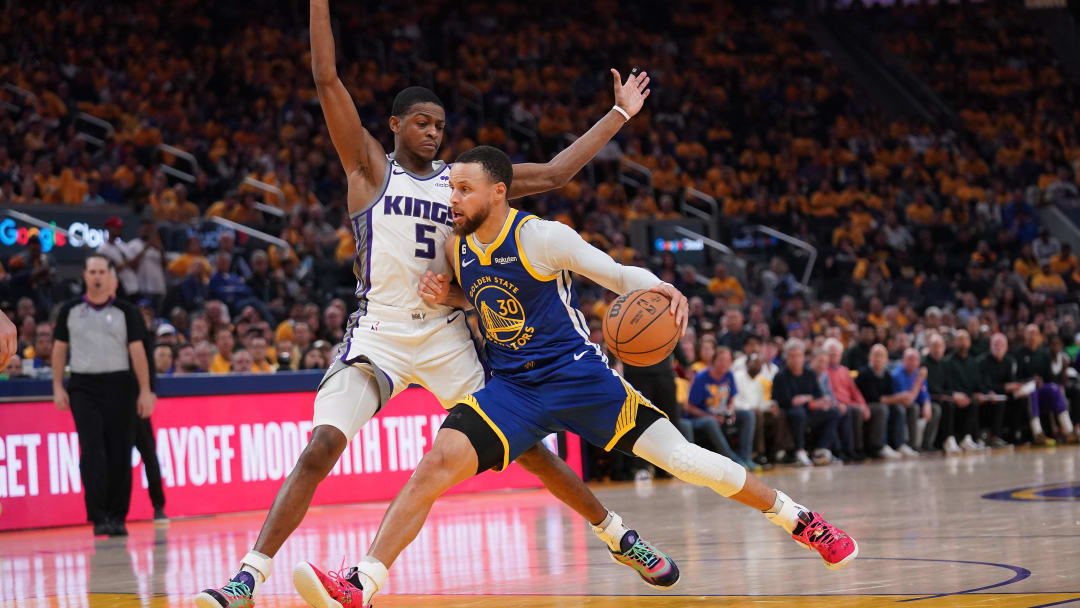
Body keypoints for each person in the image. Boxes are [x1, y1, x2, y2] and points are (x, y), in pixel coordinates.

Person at [194, 3, 668, 605]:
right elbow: (325, 78)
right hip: (380, 333)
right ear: (393, 125)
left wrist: (619, 113)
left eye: (440, 124)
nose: (433, 132)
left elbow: (552, 175)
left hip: (448, 334)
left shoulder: (462, 180)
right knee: (321, 448)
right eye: (421, 122)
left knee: (527, 449)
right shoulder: (368, 168)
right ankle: (247, 579)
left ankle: (618, 534)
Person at [292, 147, 857, 608]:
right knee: (434, 466)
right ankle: (361, 584)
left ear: (497, 192)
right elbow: (483, 296)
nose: (451, 198)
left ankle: (801, 520)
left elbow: (616, 274)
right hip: (513, 388)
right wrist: (451, 294)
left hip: (579, 377)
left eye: (462, 189)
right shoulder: (456, 245)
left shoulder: (542, 237)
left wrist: (661, 286)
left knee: (684, 461)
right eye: (450, 188)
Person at [51, 255, 156, 537]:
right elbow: (60, 349)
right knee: (92, 450)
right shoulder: (70, 310)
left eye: (102, 271)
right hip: (84, 386)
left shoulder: (127, 311)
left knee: (120, 451)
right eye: (92, 271)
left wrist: (146, 391)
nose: (97, 276)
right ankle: (98, 516)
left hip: (120, 385)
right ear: (84, 275)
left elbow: (138, 353)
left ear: (111, 278)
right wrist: (57, 386)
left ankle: (117, 516)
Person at [773, 338, 840, 466]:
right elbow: (784, 401)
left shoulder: (809, 374)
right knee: (798, 413)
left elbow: (817, 395)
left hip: (809, 412)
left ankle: (821, 449)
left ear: (804, 357)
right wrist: (805, 400)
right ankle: (800, 450)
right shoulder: (781, 376)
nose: (796, 359)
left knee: (833, 412)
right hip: (791, 415)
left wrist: (806, 399)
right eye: (792, 356)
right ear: (787, 358)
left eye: (799, 356)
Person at [686, 347, 755, 469]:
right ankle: (733, 460)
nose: (725, 363)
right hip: (700, 418)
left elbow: (731, 400)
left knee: (748, 415)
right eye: (721, 360)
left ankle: (745, 457)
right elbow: (689, 407)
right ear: (714, 361)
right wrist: (711, 416)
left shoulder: (729, 375)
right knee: (711, 422)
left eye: (728, 360)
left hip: (721, 415)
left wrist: (731, 411)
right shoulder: (701, 377)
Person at [1017, 324, 1077, 445]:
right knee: (1032, 390)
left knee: (1055, 389)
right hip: (1025, 389)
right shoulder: (1019, 353)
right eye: (1030, 333)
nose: (1032, 336)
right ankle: (1038, 433)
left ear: (1039, 336)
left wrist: (1042, 381)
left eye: (1035, 333)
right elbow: (1016, 377)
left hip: (1041, 389)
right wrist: (1030, 380)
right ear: (1025, 335)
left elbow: (1050, 377)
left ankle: (1069, 431)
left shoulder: (1044, 354)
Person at [976, 333, 1024, 447]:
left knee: (1021, 400)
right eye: (996, 344)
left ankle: (1016, 435)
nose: (998, 347)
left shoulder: (1010, 361)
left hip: (1004, 395)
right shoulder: (982, 361)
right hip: (987, 396)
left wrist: (1017, 386)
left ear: (1006, 347)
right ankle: (994, 437)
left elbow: (1011, 381)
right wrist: (1002, 388)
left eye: (1001, 344)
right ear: (990, 346)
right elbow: (983, 384)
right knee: (999, 402)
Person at [890, 348, 937, 454]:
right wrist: (919, 379)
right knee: (913, 407)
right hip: (899, 405)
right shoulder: (897, 374)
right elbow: (908, 400)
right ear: (903, 360)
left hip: (913, 403)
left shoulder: (917, 373)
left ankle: (926, 444)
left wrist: (927, 404)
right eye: (910, 359)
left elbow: (924, 395)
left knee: (935, 409)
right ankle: (912, 444)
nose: (913, 362)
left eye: (915, 359)